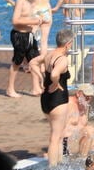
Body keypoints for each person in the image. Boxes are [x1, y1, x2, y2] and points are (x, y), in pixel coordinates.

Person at [41, 28, 74, 167]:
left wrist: (39, 80)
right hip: (58, 100)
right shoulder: (63, 59)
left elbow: (32, 63)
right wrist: (55, 83)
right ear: (68, 44)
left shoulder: (48, 55)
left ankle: (59, 165)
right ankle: (53, 167)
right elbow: (55, 74)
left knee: (58, 135)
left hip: (45, 100)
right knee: (55, 138)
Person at [6, 0, 44, 98]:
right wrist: (33, 21)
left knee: (34, 61)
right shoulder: (20, 2)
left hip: (30, 35)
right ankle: (10, 89)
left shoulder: (30, 2)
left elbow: (30, 17)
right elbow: (15, 21)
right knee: (17, 62)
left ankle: (36, 88)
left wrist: (40, 21)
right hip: (19, 35)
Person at [63, 84, 94, 157]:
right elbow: (59, 129)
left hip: (83, 139)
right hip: (69, 143)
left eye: (90, 97)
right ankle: (82, 160)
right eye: (86, 96)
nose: (88, 99)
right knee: (89, 130)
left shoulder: (84, 104)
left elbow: (83, 126)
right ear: (78, 94)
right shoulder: (68, 104)